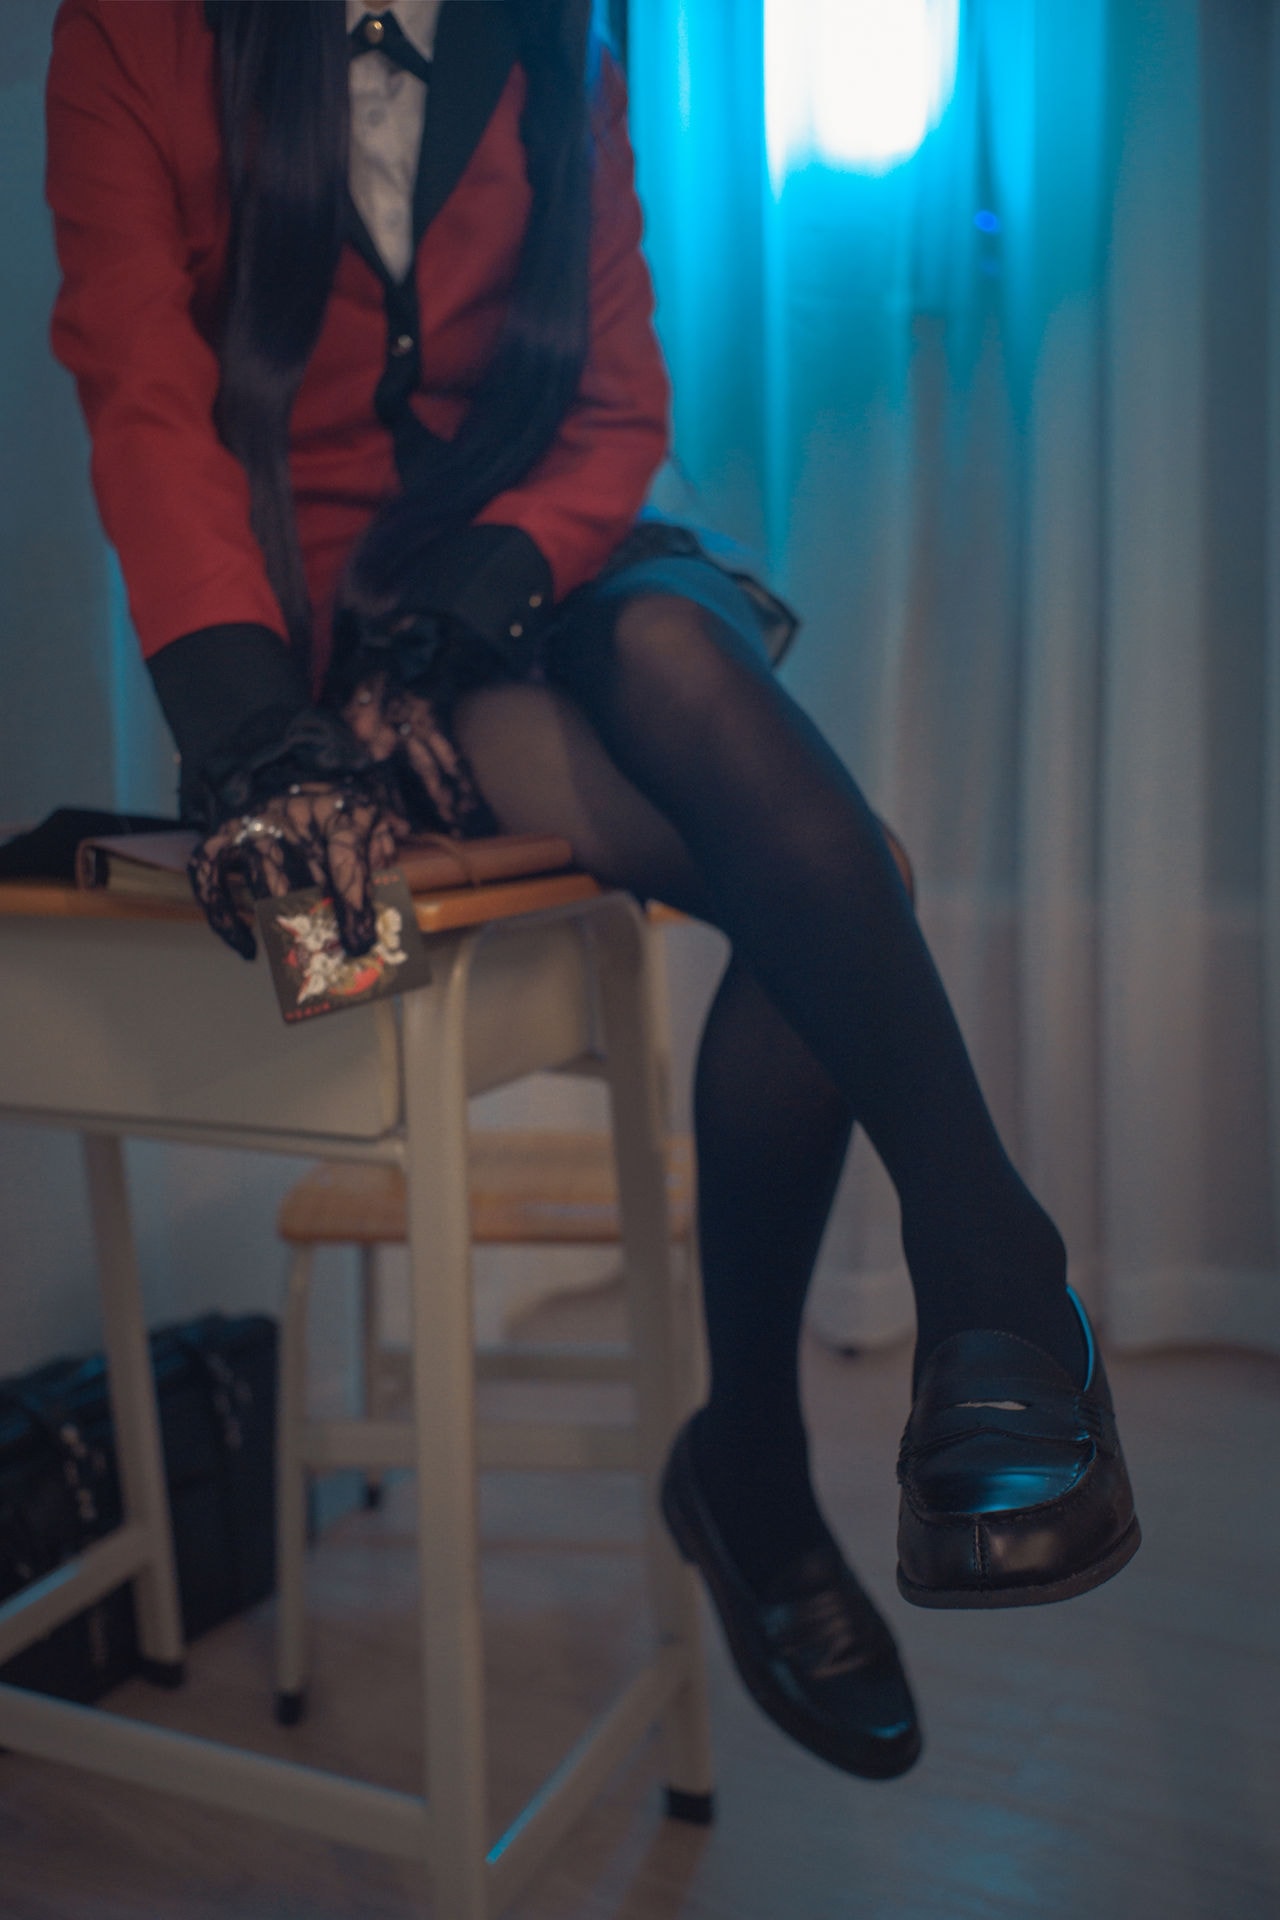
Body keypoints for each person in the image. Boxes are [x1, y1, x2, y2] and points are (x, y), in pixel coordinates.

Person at [45, 0, 1139, 1788]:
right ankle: (842, 1402)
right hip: (335, 679)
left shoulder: (566, 46)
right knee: (842, 884)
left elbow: (618, 404)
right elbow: (142, 391)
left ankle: (947, 1306)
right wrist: (259, 729)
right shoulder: (132, 31)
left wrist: (478, 588)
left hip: (552, 570)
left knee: (687, 662)